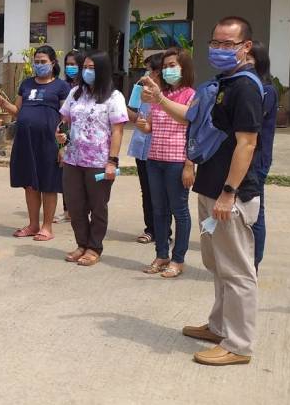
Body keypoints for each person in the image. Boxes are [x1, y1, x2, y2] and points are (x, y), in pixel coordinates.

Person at [143, 16, 263, 366]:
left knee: (237, 271)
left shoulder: (245, 87)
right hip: (211, 188)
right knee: (219, 265)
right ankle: (219, 326)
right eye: (215, 43)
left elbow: (247, 143)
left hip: (231, 194)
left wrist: (229, 192)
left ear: (246, 47)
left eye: (228, 44)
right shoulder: (220, 83)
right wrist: (159, 99)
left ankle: (238, 345)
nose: (219, 49)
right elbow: (191, 117)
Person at [0, 45, 71, 242]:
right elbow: (17, 111)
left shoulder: (62, 87)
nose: (39, 65)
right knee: (29, 184)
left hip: (49, 142)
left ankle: (47, 227)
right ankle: (33, 224)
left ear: (53, 63)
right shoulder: (26, 84)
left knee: (48, 184)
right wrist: (4, 104)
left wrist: (63, 146)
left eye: (43, 62)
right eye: (36, 62)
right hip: (25, 141)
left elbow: (66, 118)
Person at [59, 51, 128, 266]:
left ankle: (94, 247)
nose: (87, 72)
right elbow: (64, 120)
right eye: (85, 68)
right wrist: (60, 137)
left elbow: (117, 131)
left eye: (92, 68)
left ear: (103, 70)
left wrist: (112, 161)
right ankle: (82, 244)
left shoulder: (114, 97)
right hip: (73, 159)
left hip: (99, 162)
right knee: (75, 205)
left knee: (98, 206)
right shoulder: (75, 93)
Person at [141, 47, 196, 278]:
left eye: (172, 65)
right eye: (165, 67)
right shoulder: (159, 95)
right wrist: (143, 125)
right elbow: (151, 126)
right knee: (159, 210)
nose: (167, 70)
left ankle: (178, 259)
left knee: (179, 210)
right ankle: (161, 254)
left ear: (184, 68)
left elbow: (193, 131)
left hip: (177, 161)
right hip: (155, 159)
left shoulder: (191, 95)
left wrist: (189, 165)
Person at [126, 52, 164, 245]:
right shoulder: (141, 91)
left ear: (158, 72)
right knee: (147, 190)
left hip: (159, 149)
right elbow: (134, 116)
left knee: (161, 192)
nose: (146, 74)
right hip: (141, 148)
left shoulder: (167, 95)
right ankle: (150, 229)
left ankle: (163, 230)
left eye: (149, 70)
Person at [248, 41, 278, 272]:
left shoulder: (265, 90)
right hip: (239, 158)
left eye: (248, 58)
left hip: (255, 159)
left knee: (255, 213)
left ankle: (253, 264)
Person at [56, 49, 84, 224]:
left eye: (73, 64)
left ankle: (79, 210)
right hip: (65, 135)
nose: (69, 67)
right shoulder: (63, 86)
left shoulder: (85, 88)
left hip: (83, 137)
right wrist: (61, 144)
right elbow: (62, 117)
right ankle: (68, 211)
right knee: (66, 175)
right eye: (67, 64)